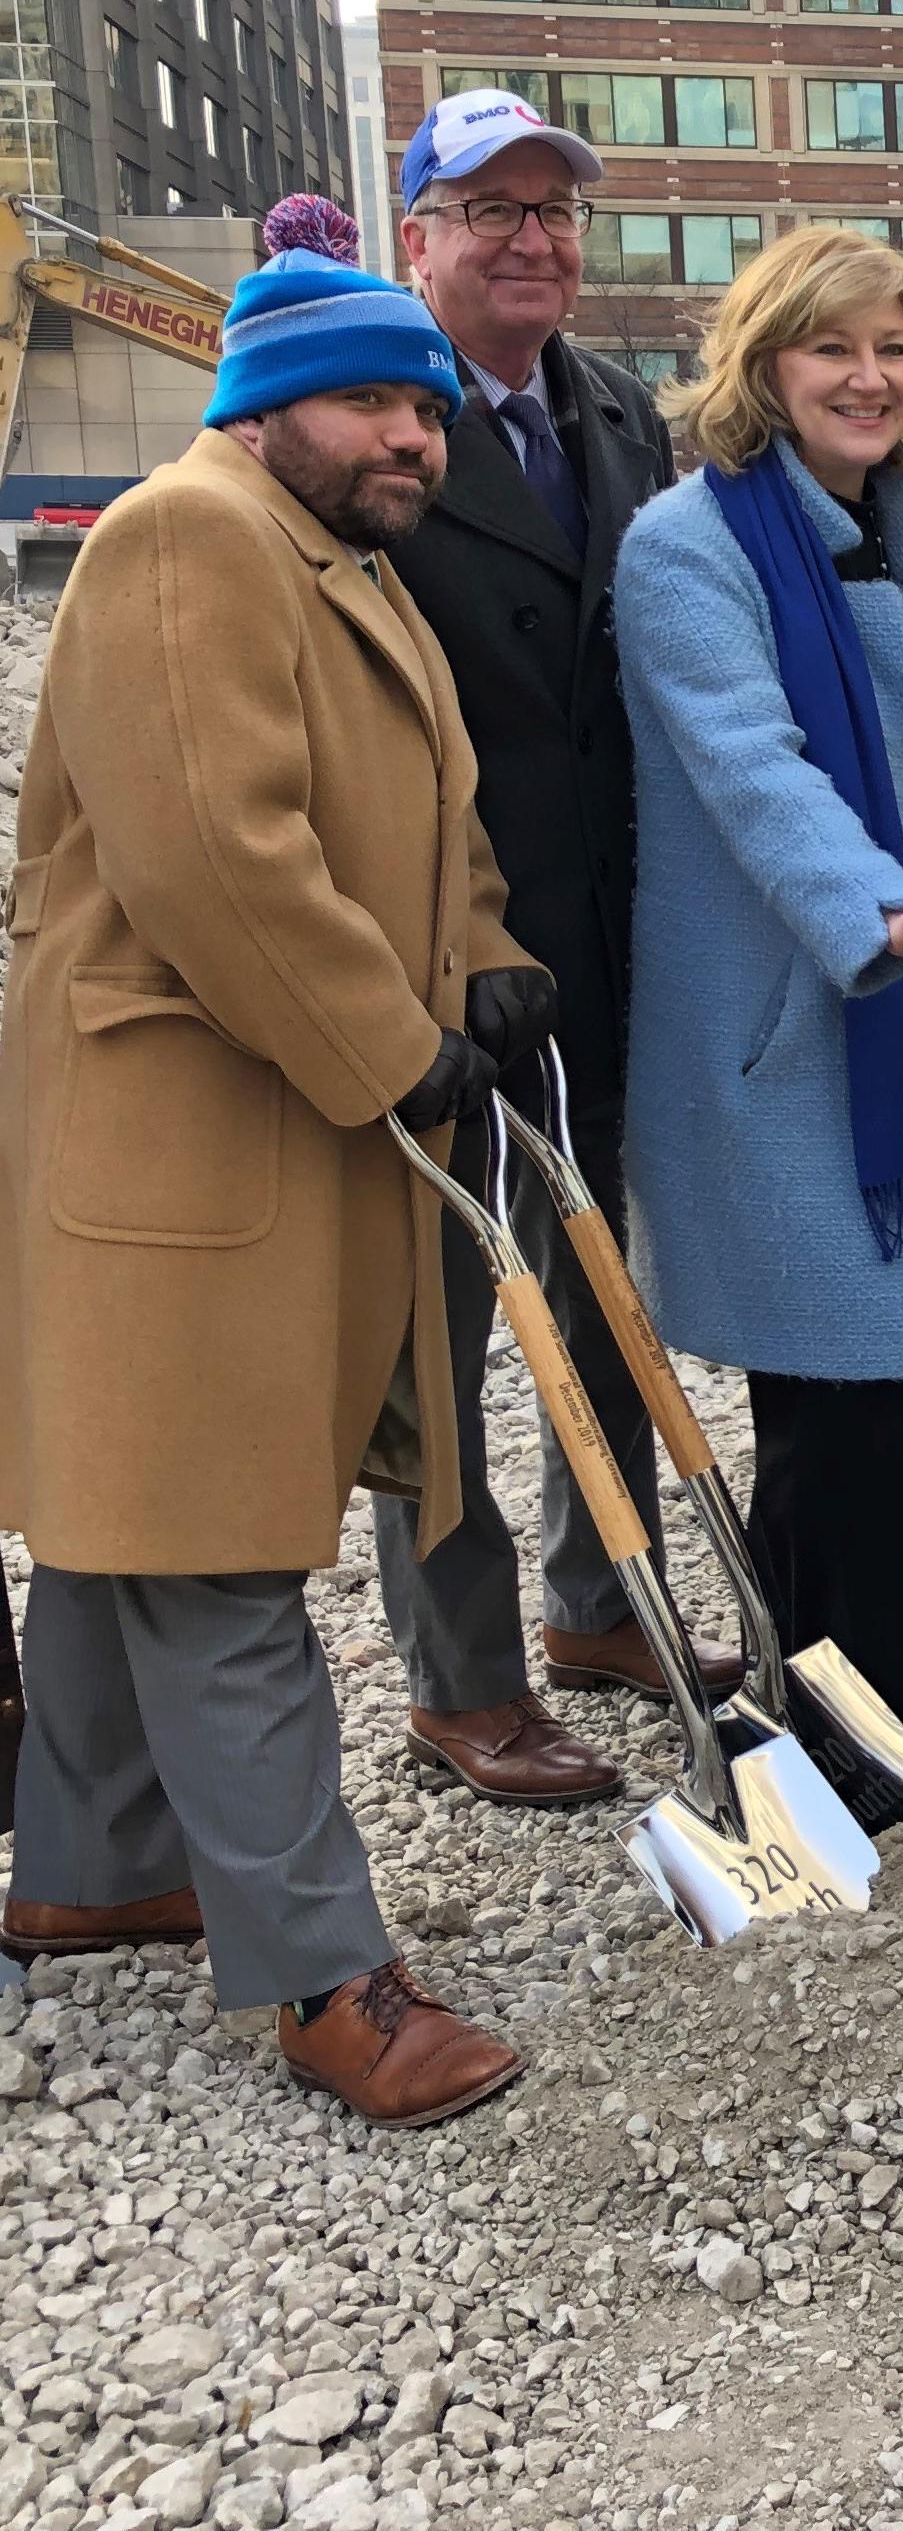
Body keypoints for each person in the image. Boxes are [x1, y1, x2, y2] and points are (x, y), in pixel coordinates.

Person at [0, 248, 528, 2123]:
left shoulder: (338, 558)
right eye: (373, 400)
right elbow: (217, 853)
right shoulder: (187, 539)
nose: (411, 432)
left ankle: (86, 1860)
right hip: (184, 1134)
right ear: (262, 398)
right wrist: (397, 1046)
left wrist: (479, 957)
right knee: (212, 1549)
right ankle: (322, 1974)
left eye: (427, 408)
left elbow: (419, 817)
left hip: (264, 1122)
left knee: (117, 1521)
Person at [613, 229, 903, 1808]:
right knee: (831, 1400)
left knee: (873, 1401)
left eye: (896, 349)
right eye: (831, 347)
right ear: (763, 366)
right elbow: (750, 760)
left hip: (898, 1027)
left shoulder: (893, 539)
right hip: (786, 1030)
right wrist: (884, 910)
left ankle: (881, 1726)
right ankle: (865, 1743)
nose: (870, 377)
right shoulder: (689, 545)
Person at [376, 85, 730, 1811]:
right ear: (417, 235)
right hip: (438, 949)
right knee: (445, 1321)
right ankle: (464, 1677)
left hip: (603, 932)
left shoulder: (613, 413)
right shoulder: (373, 418)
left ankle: (602, 1602)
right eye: (489, 208)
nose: (529, 236)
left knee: (600, 1277)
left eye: (552, 209)